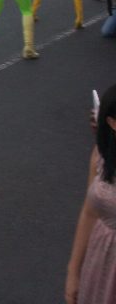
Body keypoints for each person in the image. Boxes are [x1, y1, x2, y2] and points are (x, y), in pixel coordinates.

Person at [65, 83, 116, 304]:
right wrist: (73, 272)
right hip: (101, 265)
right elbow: (89, 213)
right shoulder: (101, 157)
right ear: (112, 123)